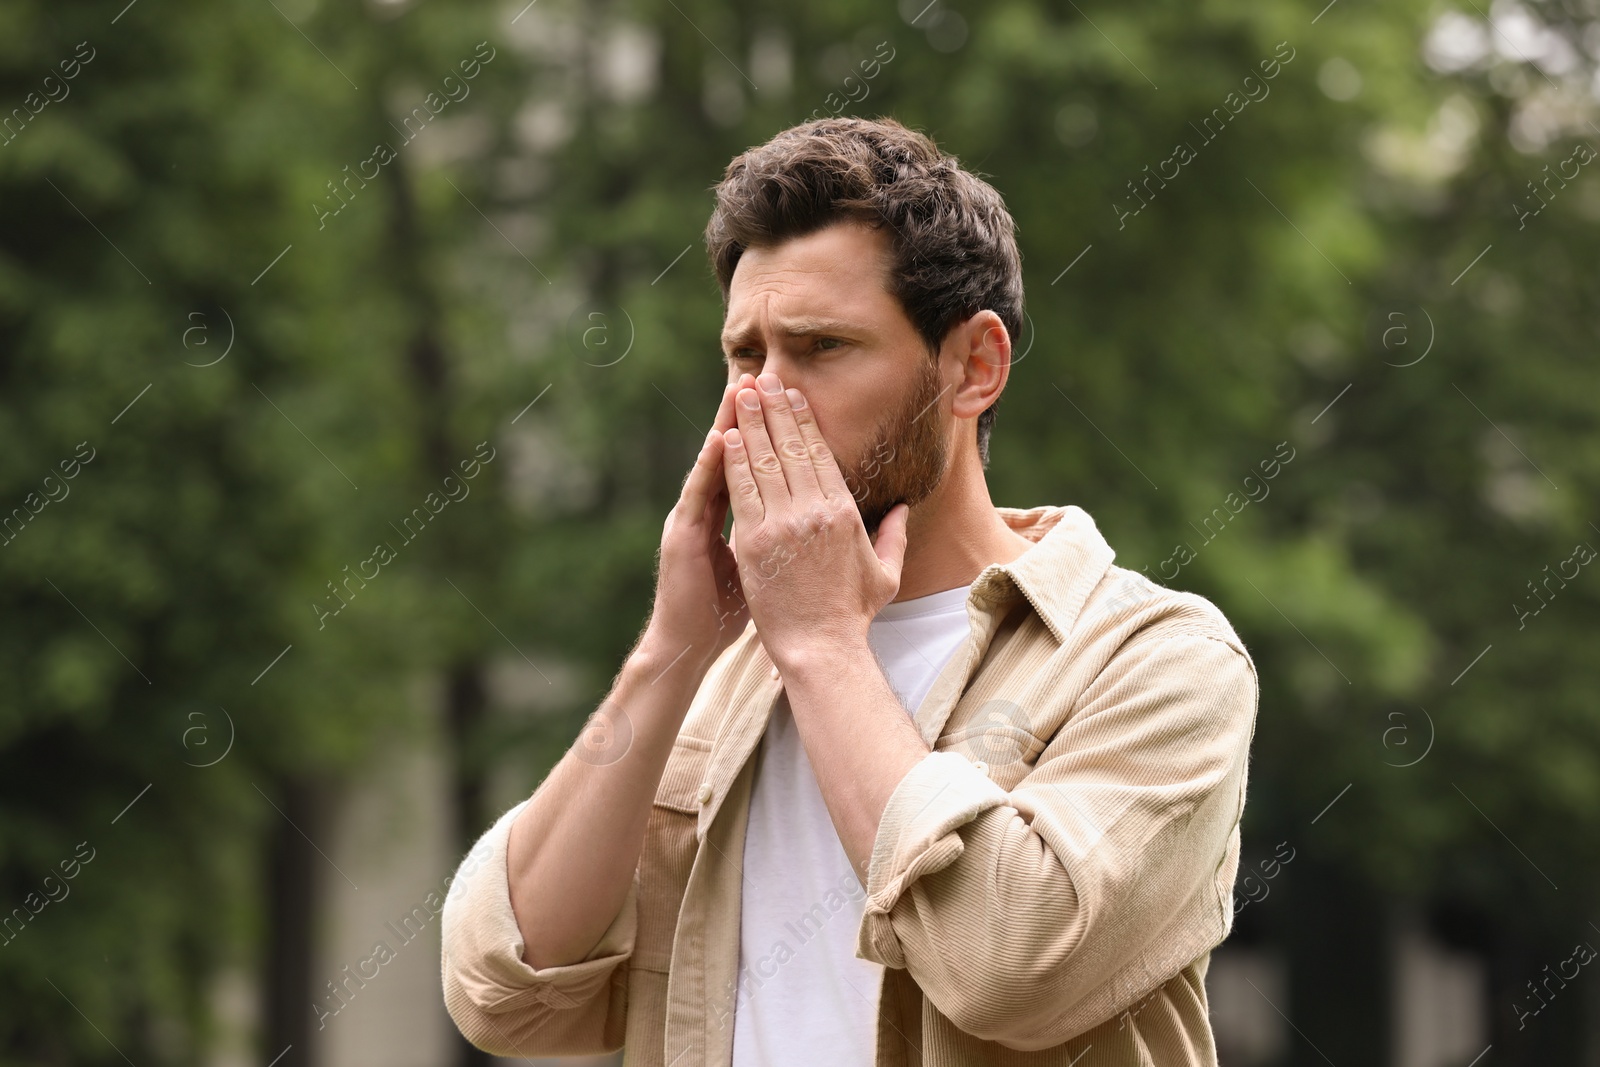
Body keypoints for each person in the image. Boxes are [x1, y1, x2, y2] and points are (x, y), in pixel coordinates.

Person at [440, 116, 1258, 1066]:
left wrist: (826, 646)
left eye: (821, 347)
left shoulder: (1157, 660)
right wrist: (671, 649)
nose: (762, 400)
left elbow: (1012, 968)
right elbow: (501, 987)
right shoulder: (719, 670)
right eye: (746, 356)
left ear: (975, 366)